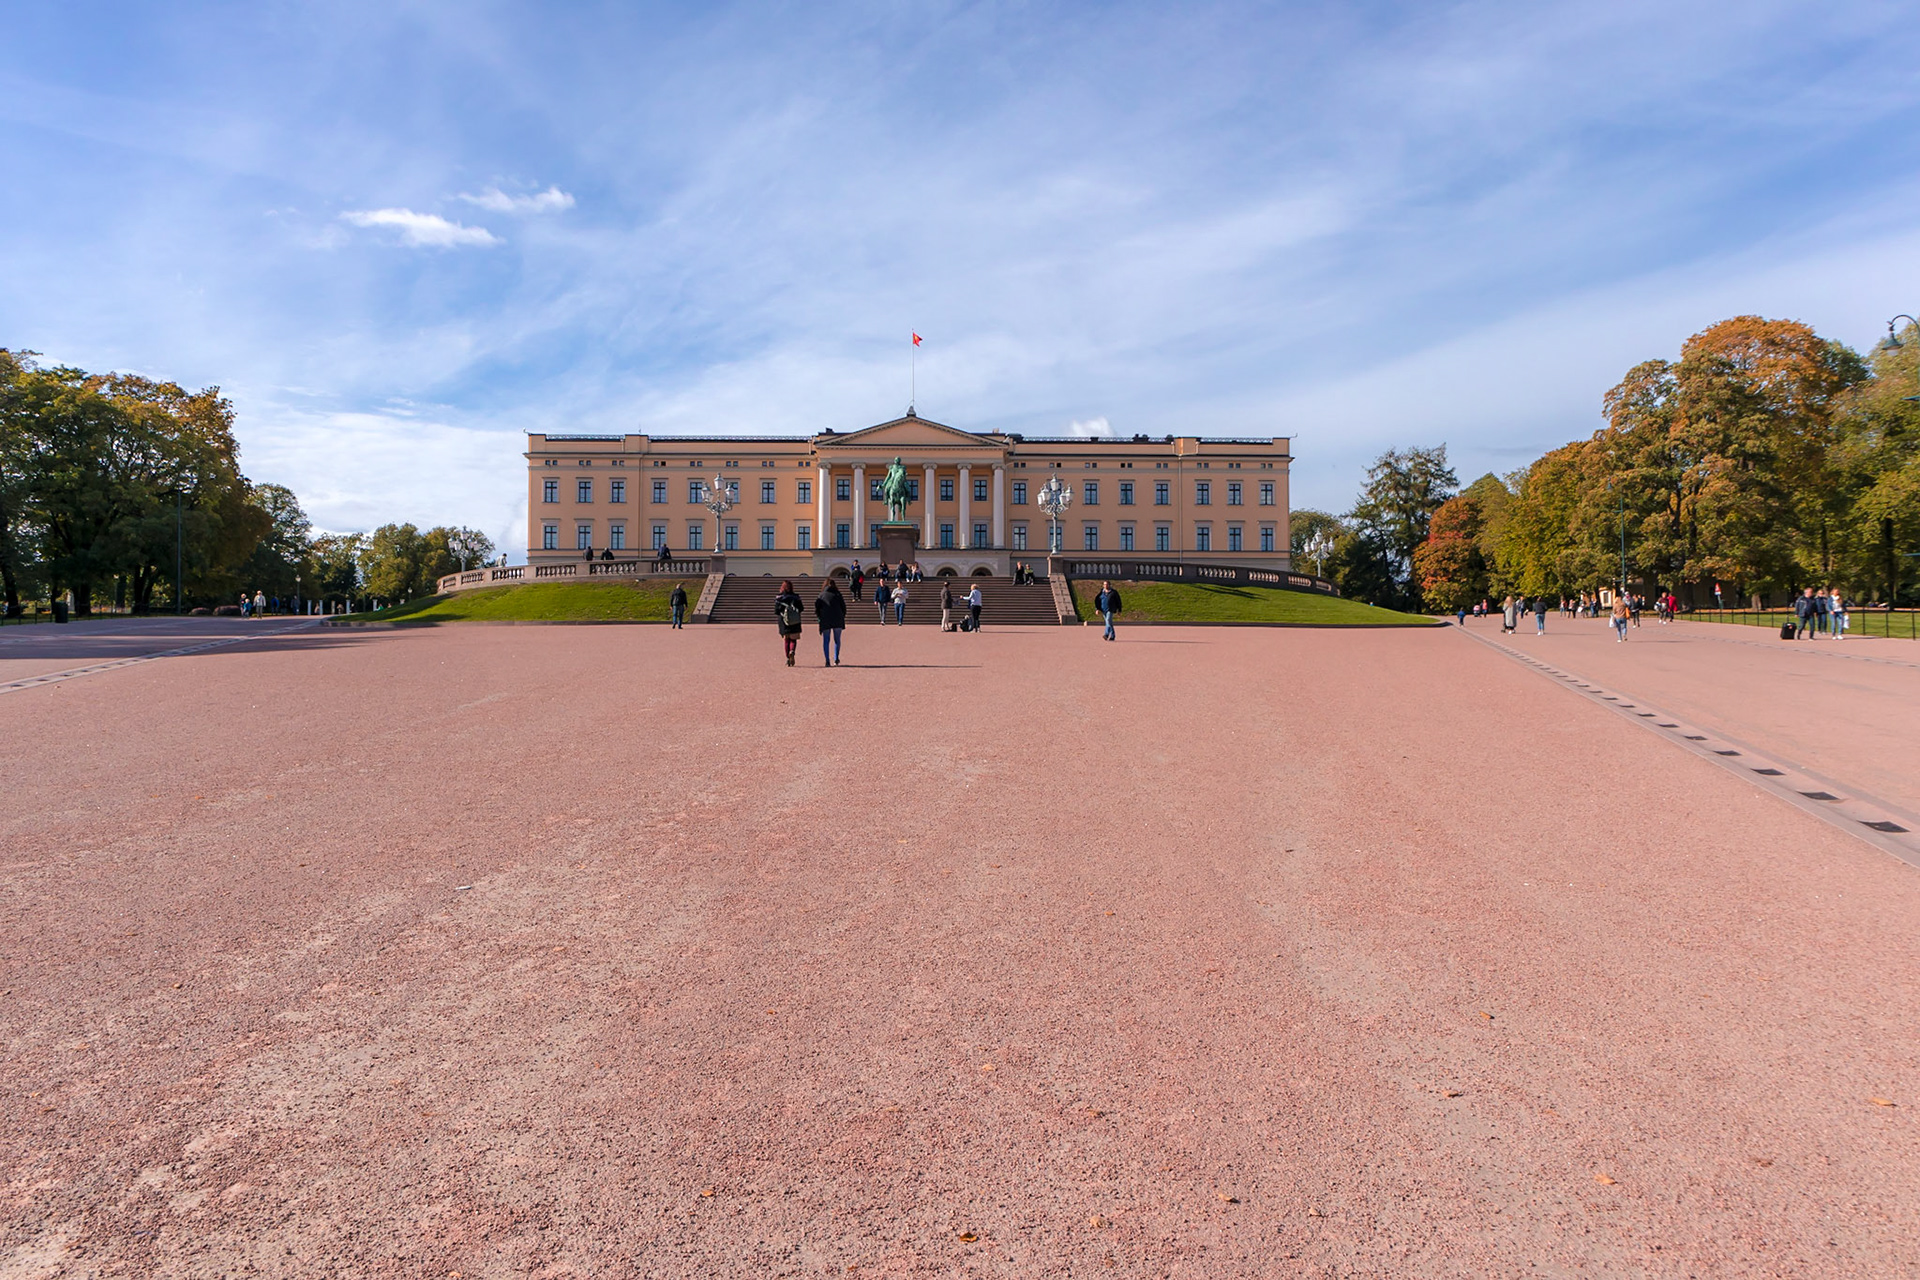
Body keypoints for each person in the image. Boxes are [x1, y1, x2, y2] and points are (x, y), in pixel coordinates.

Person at [814, 578, 846, 666]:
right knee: (837, 640)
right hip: (837, 618)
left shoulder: (821, 595)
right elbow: (843, 607)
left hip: (825, 619)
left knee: (826, 640)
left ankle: (827, 660)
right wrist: (842, 616)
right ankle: (836, 658)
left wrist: (820, 617)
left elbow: (817, 608)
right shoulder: (838, 594)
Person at [774, 579, 804, 665]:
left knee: (786, 640)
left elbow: (776, 611)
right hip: (795, 621)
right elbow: (801, 608)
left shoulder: (779, 598)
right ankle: (792, 651)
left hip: (784, 622)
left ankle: (788, 657)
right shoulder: (796, 597)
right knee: (793, 640)